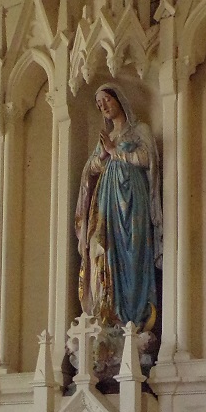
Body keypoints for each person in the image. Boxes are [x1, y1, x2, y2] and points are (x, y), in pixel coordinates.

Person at [75, 83, 162, 331]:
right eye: (99, 104)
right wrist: (103, 155)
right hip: (106, 202)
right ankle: (108, 315)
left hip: (133, 201)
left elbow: (148, 160)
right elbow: (90, 170)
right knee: (100, 248)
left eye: (106, 100)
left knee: (132, 252)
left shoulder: (139, 130)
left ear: (119, 100)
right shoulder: (106, 137)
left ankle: (134, 318)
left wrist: (116, 153)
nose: (103, 106)